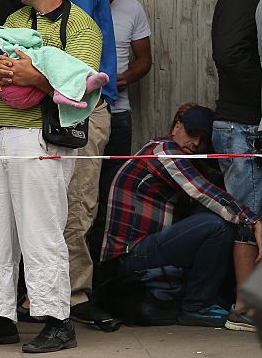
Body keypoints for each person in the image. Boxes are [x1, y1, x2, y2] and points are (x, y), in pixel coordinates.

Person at [0, 0, 102, 353]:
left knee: (42, 232)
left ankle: (58, 321)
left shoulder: (82, 26)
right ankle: (2, 316)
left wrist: (34, 76)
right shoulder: (16, 19)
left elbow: (82, 85)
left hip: (41, 138)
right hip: (0, 134)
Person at [101, 105, 262, 328]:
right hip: (130, 256)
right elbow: (204, 192)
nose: (196, 144)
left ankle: (211, 298)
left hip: (144, 249)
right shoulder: (164, 152)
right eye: (193, 134)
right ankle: (196, 306)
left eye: (203, 140)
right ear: (177, 127)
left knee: (214, 217)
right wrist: (253, 221)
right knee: (216, 225)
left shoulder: (175, 154)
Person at [62, 0, 122, 327]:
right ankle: (73, 295)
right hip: (86, 105)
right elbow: (77, 46)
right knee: (79, 203)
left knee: (75, 201)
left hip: (89, 102)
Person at [210, 0, 262, 332]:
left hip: (247, 122)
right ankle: (246, 310)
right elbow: (229, 53)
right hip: (243, 124)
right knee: (250, 218)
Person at [90, 0, 153, 257]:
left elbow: (145, 60)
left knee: (114, 190)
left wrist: (125, 77)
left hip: (119, 114)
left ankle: (108, 263)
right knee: (84, 192)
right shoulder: (80, 3)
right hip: (86, 113)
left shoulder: (132, 8)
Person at [0, 17, 110, 112]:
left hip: (15, 99)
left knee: (47, 60)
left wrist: (36, 79)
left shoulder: (81, 24)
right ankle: (82, 81)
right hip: (12, 99)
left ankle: (70, 90)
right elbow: (27, 39)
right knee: (49, 54)